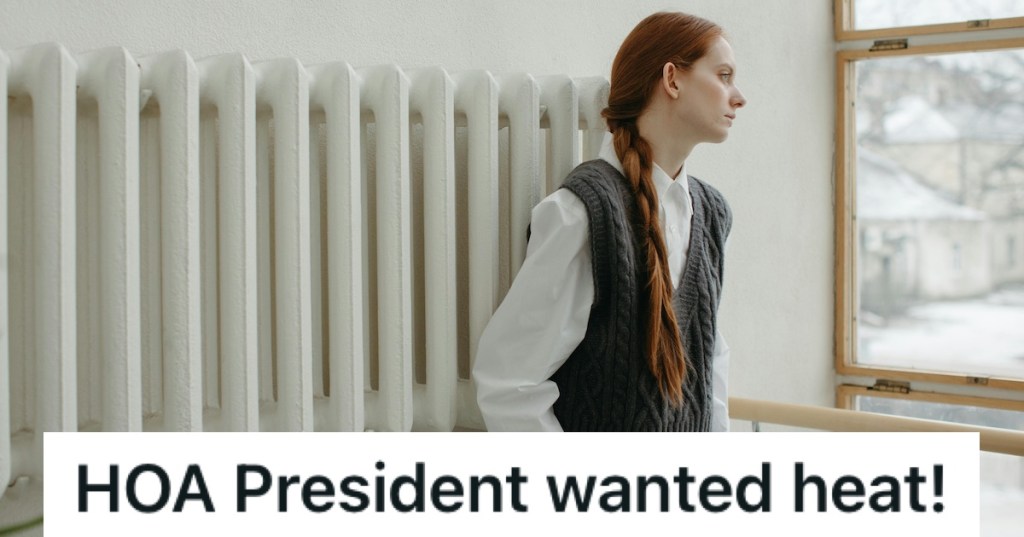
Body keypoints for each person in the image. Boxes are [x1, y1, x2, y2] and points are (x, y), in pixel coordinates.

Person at [472, 11, 746, 431]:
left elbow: (712, 366)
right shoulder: (583, 214)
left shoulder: (711, 214)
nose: (738, 96)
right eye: (723, 75)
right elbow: (509, 383)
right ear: (672, 80)